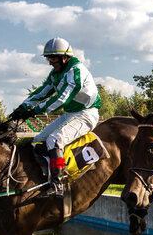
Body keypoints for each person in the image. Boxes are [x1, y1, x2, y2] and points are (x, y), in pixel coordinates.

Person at [9, 37, 101, 194]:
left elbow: (62, 99)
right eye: (48, 59)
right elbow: (42, 92)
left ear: (64, 58)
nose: (50, 63)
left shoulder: (76, 71)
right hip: (71, 113)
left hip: (87, 114)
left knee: (55, 140)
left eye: (53, 59)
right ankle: (47, 175)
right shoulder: (55, 73)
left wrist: (35, 111)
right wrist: (22, 107)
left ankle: (58, 184)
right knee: (38, 140)